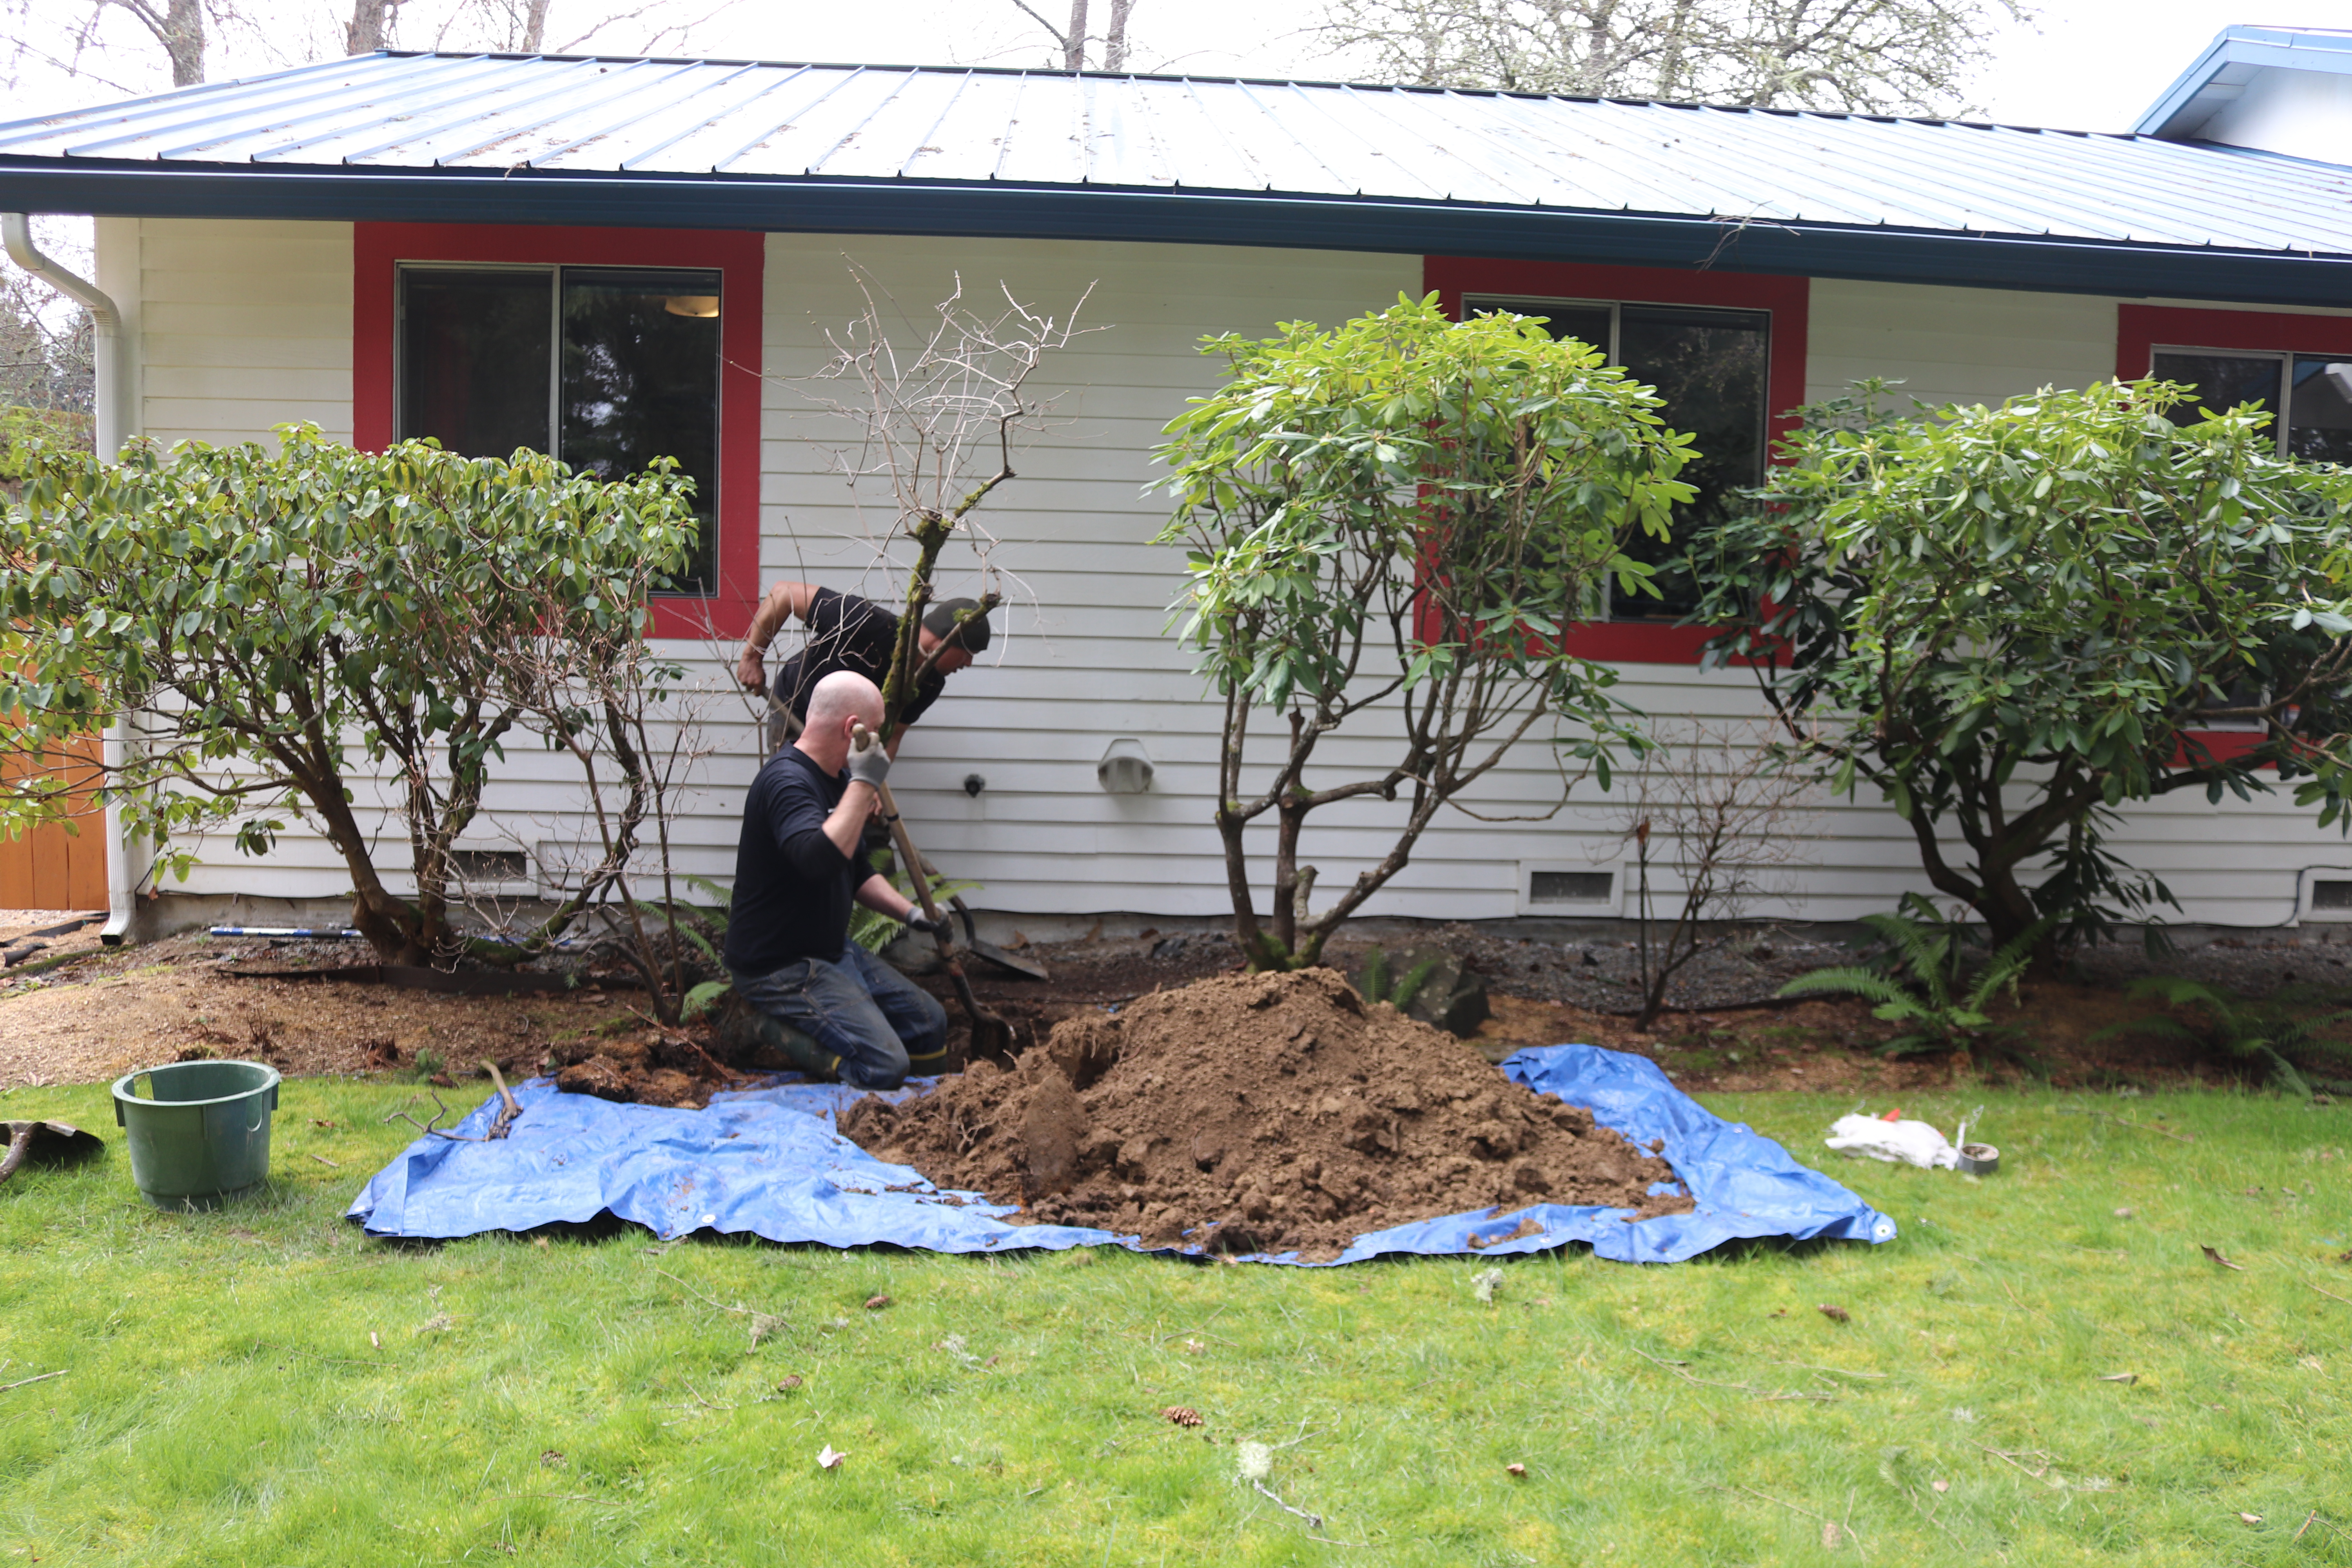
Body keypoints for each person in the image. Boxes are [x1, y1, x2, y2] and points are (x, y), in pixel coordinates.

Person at [722, 670, 951, 1088]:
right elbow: (817, 861)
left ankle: (923, 1110)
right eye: (877, 731)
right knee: (885, 1065)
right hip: (777, 967)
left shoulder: (840, 781)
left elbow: (856, 869)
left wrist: (914, 914)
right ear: (854, 728)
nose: (880, 741)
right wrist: (867, 782)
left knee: (929, 1022)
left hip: (829, 951)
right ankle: (760, 1029)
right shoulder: (787, 782)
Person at [735, 580, 991, 755]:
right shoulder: (867, 622)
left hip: (850, 734)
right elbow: (783, 594)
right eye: (969, 654)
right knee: (796, 790)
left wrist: (871, 788)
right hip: (796, 707)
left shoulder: (929, 683)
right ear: (944, 640)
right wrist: (752, 658)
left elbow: (892, 736)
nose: (968, 664)